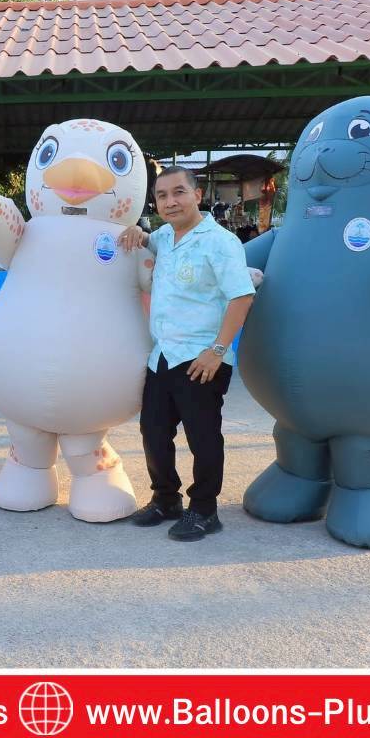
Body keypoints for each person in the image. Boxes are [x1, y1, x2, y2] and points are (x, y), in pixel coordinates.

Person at [119, 166, 255, 541]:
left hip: (201, 359)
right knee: (153, 431)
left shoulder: (220, 242)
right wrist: (136, 232)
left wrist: (217, 351)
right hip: (163, 355)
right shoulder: (164, 236)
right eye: (162, 195)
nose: (170, 201)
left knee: (202, 436)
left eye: (179, 192)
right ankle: (166, 500)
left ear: (197, 195)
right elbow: (147, 241)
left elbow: (241, 297)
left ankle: (204, 510)